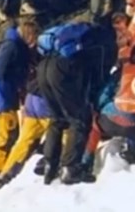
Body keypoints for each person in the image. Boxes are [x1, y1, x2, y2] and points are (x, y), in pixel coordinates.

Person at [37, 21, 118, 185]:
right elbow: (100, 71)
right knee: (79, 119)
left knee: (57, 118)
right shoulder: (106, 40)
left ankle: (49, 166)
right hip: (62, 69)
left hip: (44, 67)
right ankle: (70, 168)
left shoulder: (79, 31)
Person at [81, 44, 135, 174]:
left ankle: (86, 161)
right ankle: (133, 151)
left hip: (110, 122)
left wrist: (100, 108)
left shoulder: (123, 72)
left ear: (133, 57)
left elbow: (104, 95)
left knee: (95, 126)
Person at [0, 19, 40, 190]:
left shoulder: (16, 45)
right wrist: (15, 86)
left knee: (10, 134)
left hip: (4, 97)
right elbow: (0, 70)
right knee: (7, 135)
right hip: (3, 99)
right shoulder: (13, 47)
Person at [0, 71, 50, 190]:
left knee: (25, 141)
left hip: (31, 100)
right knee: (64, 132)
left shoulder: (46, 58)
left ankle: (5, 174)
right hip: (46, 103)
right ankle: (48, 162)